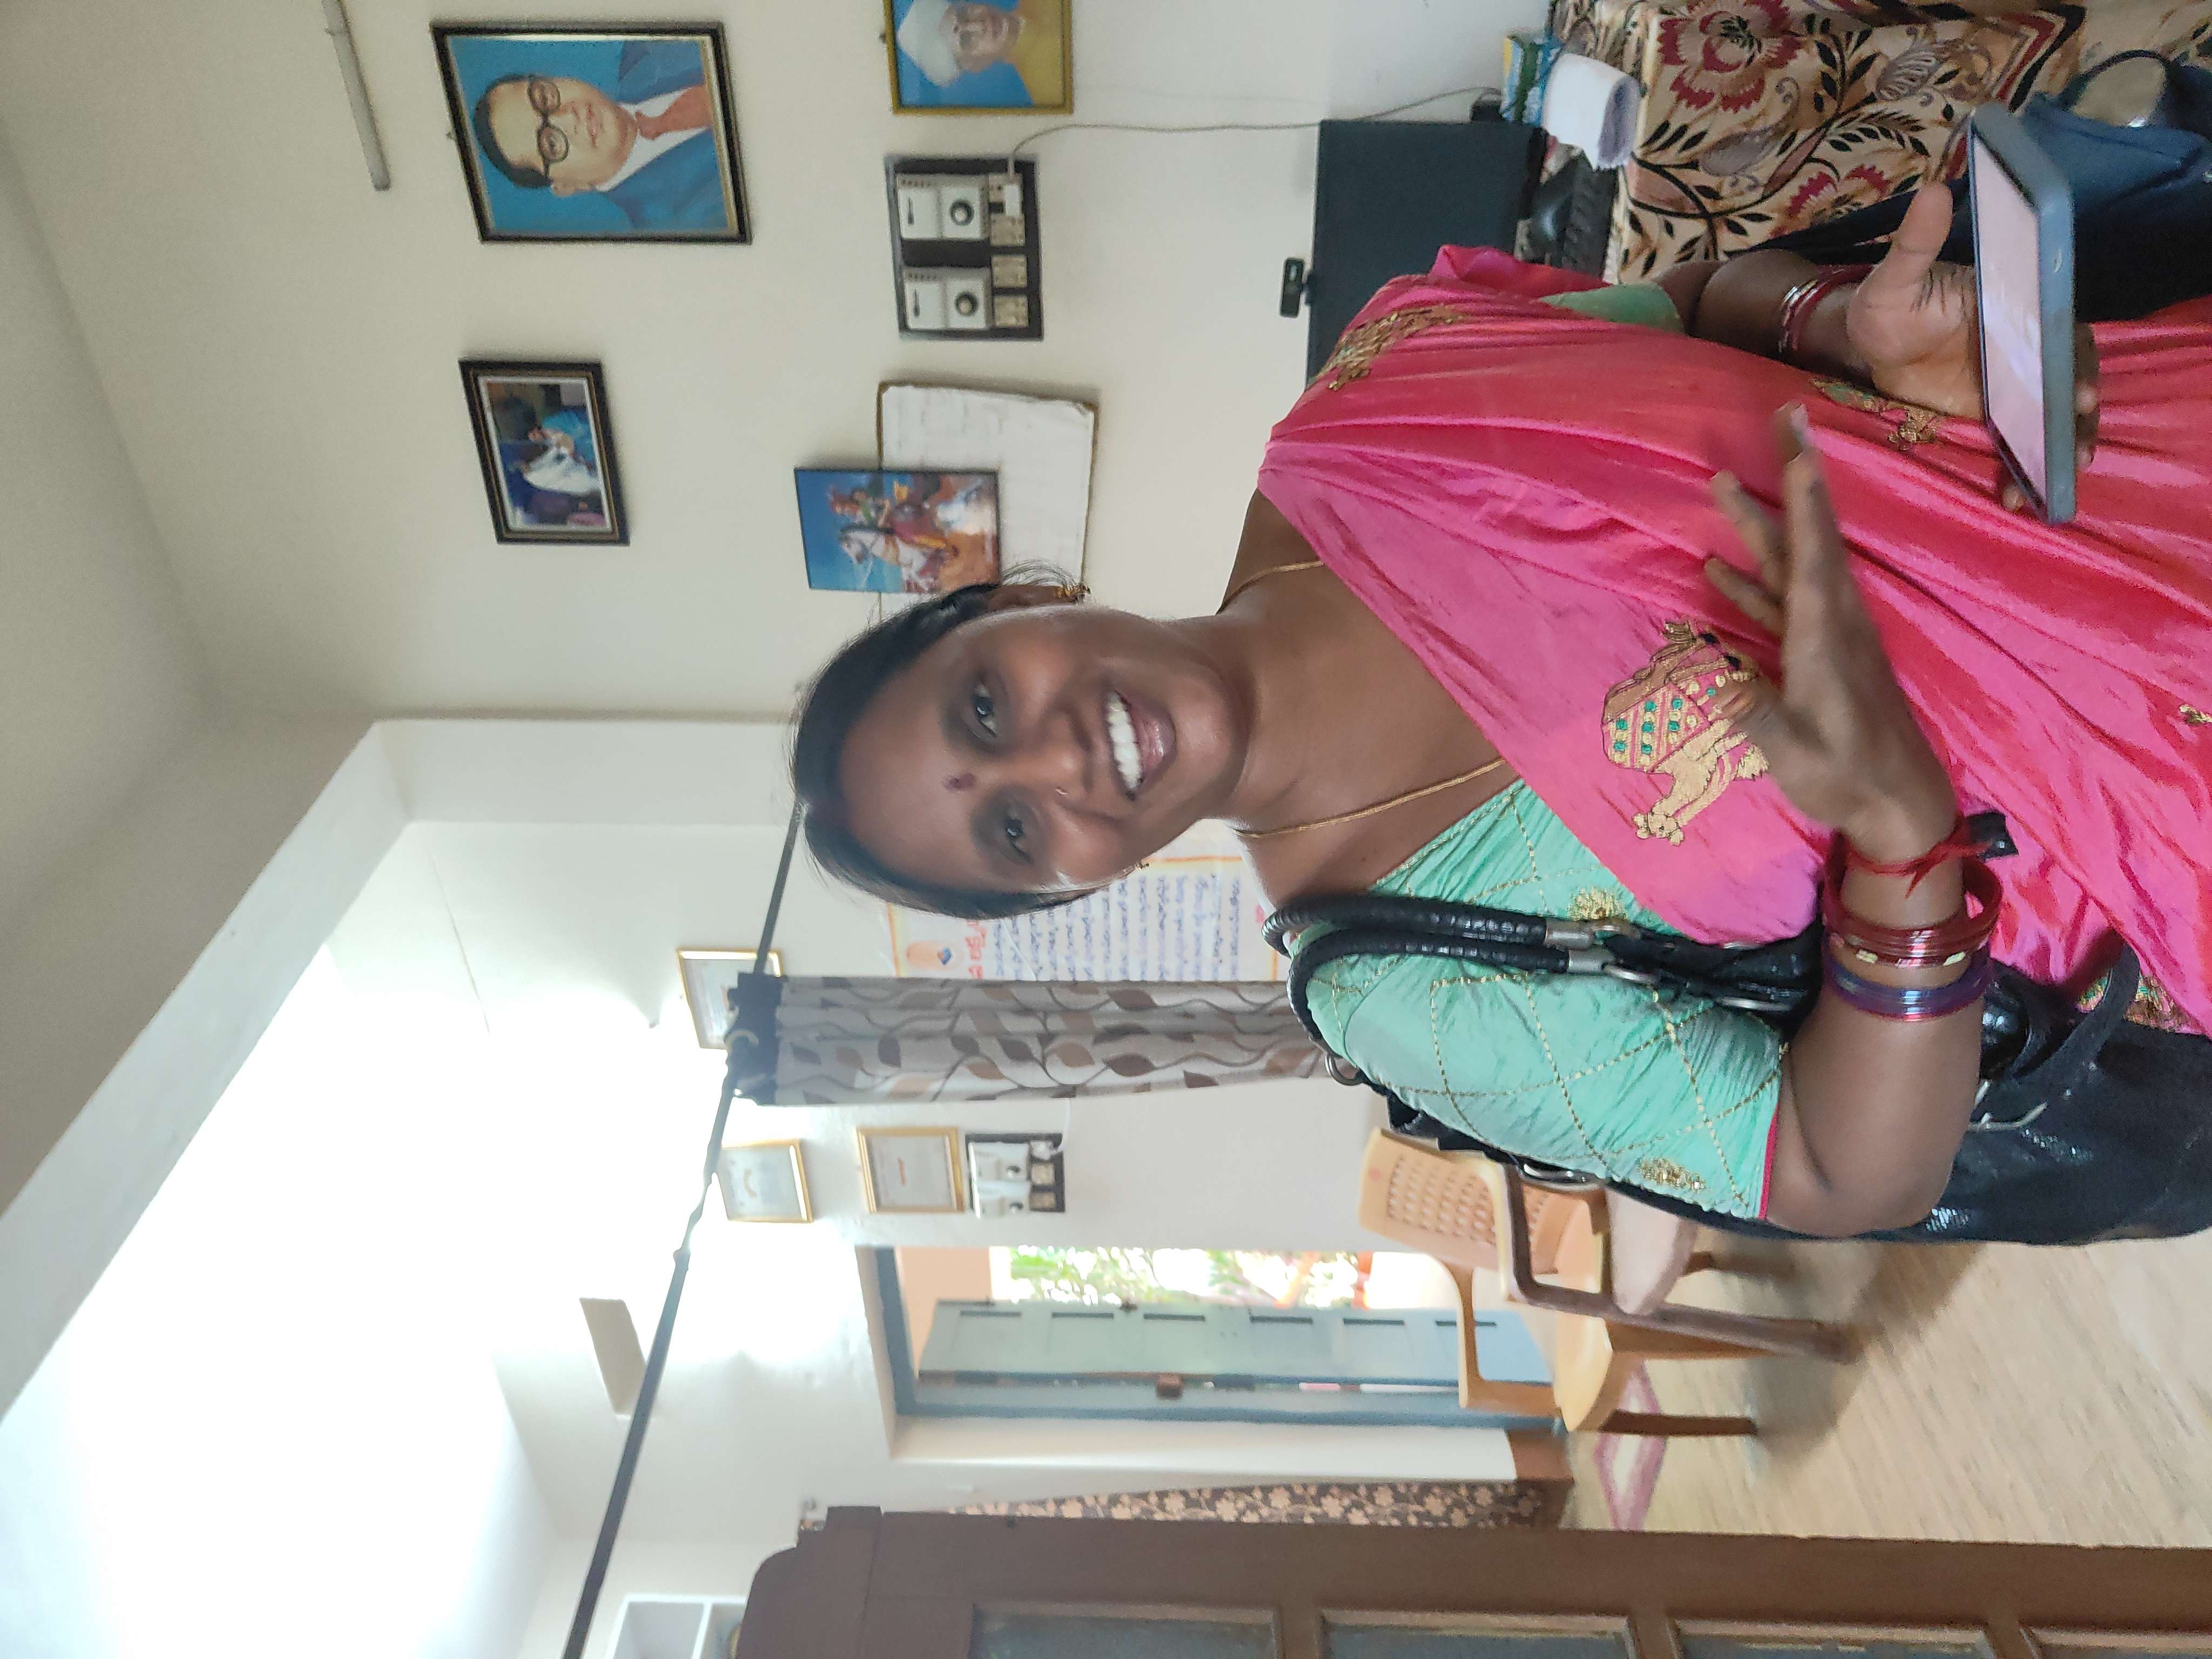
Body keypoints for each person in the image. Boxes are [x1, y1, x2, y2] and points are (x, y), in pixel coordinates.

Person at [788, 187, 2212, 1243]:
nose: (1054, 761)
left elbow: (1692, 304)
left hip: (2153, 439)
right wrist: (1900, 837)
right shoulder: (1399, 985)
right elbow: (1841, 1173)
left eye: (986, 704)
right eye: (1016, 833)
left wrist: (1833, 325)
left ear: (1017, 599)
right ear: (1077, 882)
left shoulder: (1371, 403)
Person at [471, 40, 730, 232]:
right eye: (551, 144)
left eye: (545, 98)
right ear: (567, 186)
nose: (568, 116)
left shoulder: (647, 46)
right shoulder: (683, 227)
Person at [895, 0, 1067, 108]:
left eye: (964, 15)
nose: (979, 25)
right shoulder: (1048, 90)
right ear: (976, 66)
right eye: (967, 40)